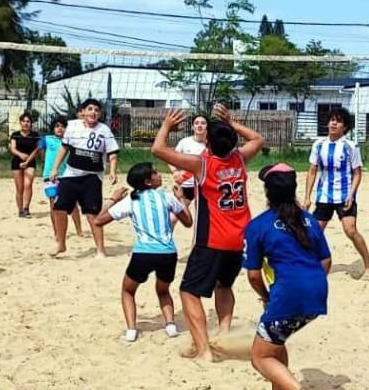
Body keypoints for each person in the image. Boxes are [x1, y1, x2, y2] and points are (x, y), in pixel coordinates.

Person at [151, 105, 263, 361]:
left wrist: (167, 126)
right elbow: (257, 139)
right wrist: (232, 123)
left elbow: (158, 149)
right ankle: (223, 335)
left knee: (189, 291)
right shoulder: (239, 159)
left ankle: (204, 350)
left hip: (213, 238)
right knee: (224, 285)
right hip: (240, 238)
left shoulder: (202, 164)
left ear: (208, 143)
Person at [244, 163, 330, 390]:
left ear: (267, 191)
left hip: (288, 295)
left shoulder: (259, 225)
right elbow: (325, 261)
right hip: (317, 293)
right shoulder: (310, 220)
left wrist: (268, 298)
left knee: (259, 356)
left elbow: (254, 276)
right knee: (275, 343)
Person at [93, 162, 192, 343]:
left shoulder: (131, 200)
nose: (159, 174)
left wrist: (113, 199)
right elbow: (188, 222)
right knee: (163, 290)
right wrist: (181, 199)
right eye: (155, 173)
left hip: (144, 252)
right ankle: (170, 325)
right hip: (168, 252)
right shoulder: (167, 198)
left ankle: (131, 330)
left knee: (128, 290)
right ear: (148, 181)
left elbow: (98, 221)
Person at [304, 106, 369, 279]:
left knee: (350, 230)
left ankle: (368, 266)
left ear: (345, 126)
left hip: (344, 196)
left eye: (338, 121)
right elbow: (312, 171)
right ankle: (309, 266)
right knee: (314, 233)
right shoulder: (319, 144)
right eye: (331, 120)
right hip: (324, 196)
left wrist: (352, 194)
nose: (333, 123)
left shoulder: (350, 146)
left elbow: (357, 173)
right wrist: (307, 197)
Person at [46, 99, 120, 257]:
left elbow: (112, 153)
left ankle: (100, 250)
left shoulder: (104, 130)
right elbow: (64, 148)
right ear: (83, 112)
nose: (93, 112)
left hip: (92, 177)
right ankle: (61, 244)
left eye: (96, 110)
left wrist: (112, 171)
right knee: (59, 208)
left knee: (92, 214)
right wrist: (54, 169)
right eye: (90, 109)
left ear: (99, 114)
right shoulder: (73, 126)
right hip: (70, 175)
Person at [39, 116, 83, 238]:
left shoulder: (70, 141)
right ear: (53, 128)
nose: (60, 128)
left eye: (63, 126)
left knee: (73, 204)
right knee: (53, 204)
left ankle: (79, 230)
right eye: (57, 126)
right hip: (50, 176)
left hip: (67, 175)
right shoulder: (47, 139)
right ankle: (57, 232)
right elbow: (40, 152)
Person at [170, 114, 208, 208]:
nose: (199, 125)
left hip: (205, 185)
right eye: (196, 123)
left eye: (203, 123)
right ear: (192, 127)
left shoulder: (212, 144)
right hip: (186, 184)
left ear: (207, 126)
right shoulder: (185, 142)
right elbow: (171, 159)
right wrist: (175, 172)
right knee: (177, 212)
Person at [9, 112, 42, 218]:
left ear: (31, 124)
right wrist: (20, 154)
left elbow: (38, 150)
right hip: (17, 161)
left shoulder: (35, 135)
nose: (26, 123)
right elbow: (12, 148)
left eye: (28, 121)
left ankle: (26, 208)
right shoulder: (15, 135)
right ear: (20, 122)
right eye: (24, 121)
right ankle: (20, 210)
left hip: (30, 161)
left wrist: (30, 159)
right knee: (20, 188)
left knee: (28, 184)